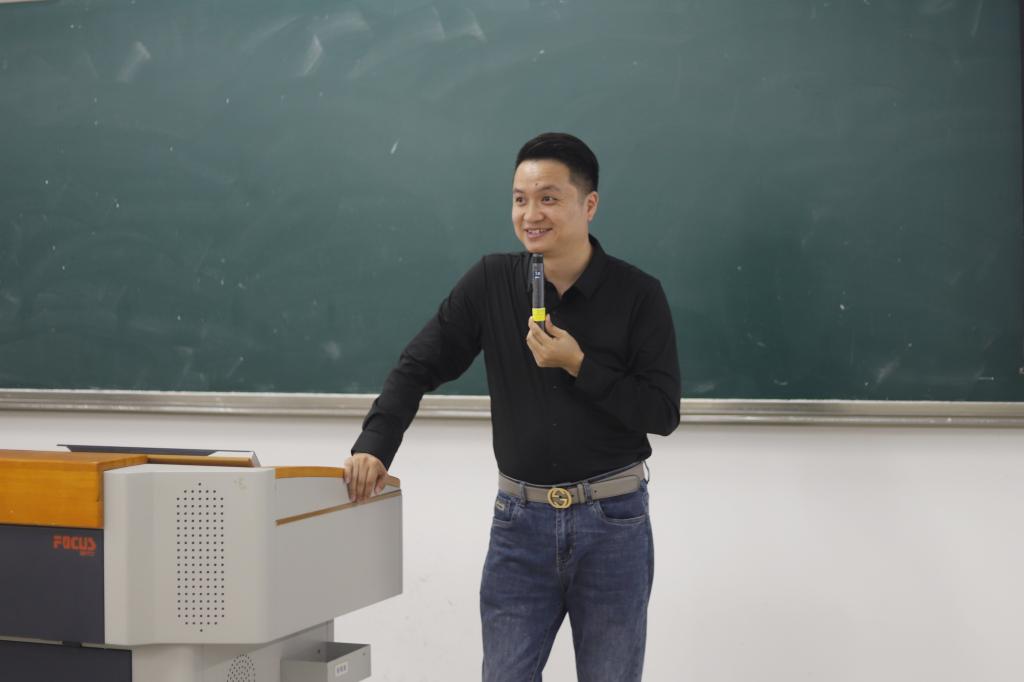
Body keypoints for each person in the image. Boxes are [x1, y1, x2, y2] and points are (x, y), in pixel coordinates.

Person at [344, 132, 681, 681]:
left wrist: (580, 365)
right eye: (520, 199)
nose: (531, 214)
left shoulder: (638, 294)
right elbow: (418, 365)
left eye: (548, 198)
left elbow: (662, 412)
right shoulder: (491, 282)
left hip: (613, 523)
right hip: (519, 523)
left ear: (589, 204)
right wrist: (374, 446)